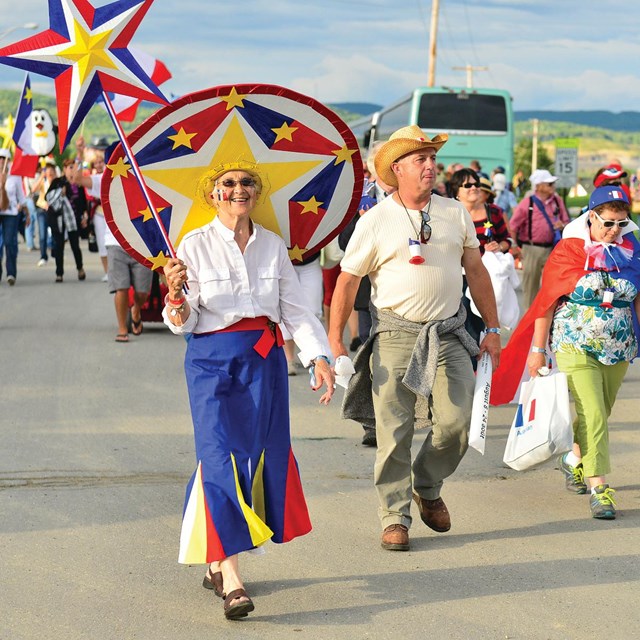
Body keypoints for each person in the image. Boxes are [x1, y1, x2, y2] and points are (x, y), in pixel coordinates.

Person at [162, 162, 335, 619]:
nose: (239, 190)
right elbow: (185, 323)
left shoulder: (273, 244)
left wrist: (319, 357)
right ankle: (233, 582)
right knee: (218, 457)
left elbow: (295, 310)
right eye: (229, 184)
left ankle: (216, 560)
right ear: (213, 194)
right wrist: (176, 298)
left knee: (254, 458)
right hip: (210, 363)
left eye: (247, 183)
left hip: (264, 362)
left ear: (257, 193)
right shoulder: (193, 246)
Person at [329, 125, 501, 551]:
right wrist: (335, 341)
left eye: (431, 157)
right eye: (420, 159)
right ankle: (394, 516)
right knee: (393, 432)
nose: (430, 165)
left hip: (448, 333)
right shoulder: (375, 221)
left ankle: (426, 483)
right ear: (397, 169)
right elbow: (348, 283)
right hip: (393, 335)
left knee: (457, 425)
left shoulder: (454, 212)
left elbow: (475, 272)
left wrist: (493, 328)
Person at [491, 186, 640, 520]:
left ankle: (573, 459)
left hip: (618, 345)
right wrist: (537, 350)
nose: (615, 230)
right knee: (593, 413)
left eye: (622, 223)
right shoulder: (569, 250)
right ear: (591, 216)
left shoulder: (634, 251)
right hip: (574, 342)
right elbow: (546, 303)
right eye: (608, 222)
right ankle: (599, 487)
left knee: (601, 410)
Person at [338, 141, 396, 447]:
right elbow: (344, 245)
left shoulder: (417, 201)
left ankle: (401, 415)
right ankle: (373, 423)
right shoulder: (358, 200)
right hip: (368, 295)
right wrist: (363, 221)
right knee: (375, 361)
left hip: (406, 299)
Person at [71, 147, 152, 341]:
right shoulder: (103, 180)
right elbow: (76, 179)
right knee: (121, 288)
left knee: (142, 292)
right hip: (115, 242)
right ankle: (122, 328)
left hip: (141, 243)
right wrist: (80, 155)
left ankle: (136, 309)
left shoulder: (142, 176)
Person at [449, 169, 512, 349]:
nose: (474, 188)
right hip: (457, 278)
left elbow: (507, 240)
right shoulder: (449, 214)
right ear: (456, 191)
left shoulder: (493, 212)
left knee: (478, 325)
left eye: (476, 183)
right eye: (468, 185)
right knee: (461, 324)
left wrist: (499, 246)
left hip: (484, 276)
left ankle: (476, 369)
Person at [509, 169, 570, 308]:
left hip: (553, 248)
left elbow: (567, 221)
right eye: (549, 184)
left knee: (554, 286)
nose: (553, 186)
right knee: (530, 287)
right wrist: (514, 247)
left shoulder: (557, 201)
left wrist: (562, 225)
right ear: (539, 186)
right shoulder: (527, 203)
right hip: (531, 249)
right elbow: (513, 226)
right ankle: (529, 322)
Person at [45, 158, 86, 282]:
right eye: (70, 168)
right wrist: (60, 192)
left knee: (75, 245)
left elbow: (82, 201)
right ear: (64, 169)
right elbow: (48, 197)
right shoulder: (58, 182)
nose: (72, 170)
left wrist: (84, 214)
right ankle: (59, 273)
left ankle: (80, 268)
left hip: (73, 219)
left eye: (74, 167)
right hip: (58, 218)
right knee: (59, 246)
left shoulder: (77, 183)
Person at [0, 149, 26, 286]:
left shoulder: (15, 176)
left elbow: (21, 197)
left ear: (8, 160)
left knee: (9, 243)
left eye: (4, 158)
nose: (1, 161)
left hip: (11, 214)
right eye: (0, 158)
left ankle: (11, 273)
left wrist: (25, 211)